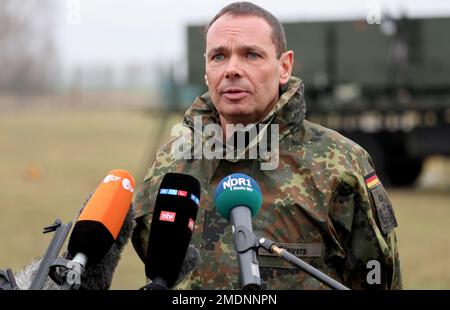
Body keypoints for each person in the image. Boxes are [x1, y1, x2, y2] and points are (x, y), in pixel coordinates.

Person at [131, 1, 402, 290]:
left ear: (284, 66)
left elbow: (379, 281)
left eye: (251, 55)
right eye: (219, 57)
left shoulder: (341, 164)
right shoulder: (170, 164)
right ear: (206, 70)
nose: (232, 69)